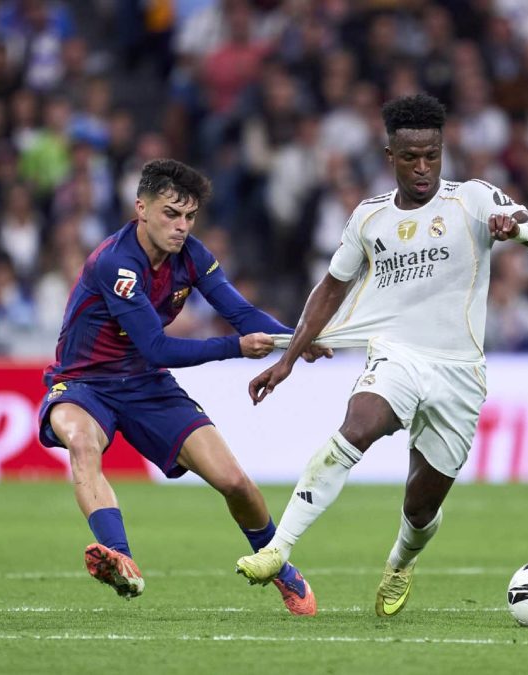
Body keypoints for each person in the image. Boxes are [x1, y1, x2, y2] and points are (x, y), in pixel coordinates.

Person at [232, 93, 528, 616]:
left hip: (459, 372)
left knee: (421, 506)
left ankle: (401, 561)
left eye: (432, 155)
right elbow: (330, 289)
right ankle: (279, 548)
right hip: (396, 356)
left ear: (442, 151)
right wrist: (287, 359)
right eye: (410, 157)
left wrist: (515, 228)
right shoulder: (369, 217)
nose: (422, 167)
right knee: (358, 426)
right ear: (390, 156)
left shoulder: (474, 199)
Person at [37, 159, 324, 614]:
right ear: (142, 209)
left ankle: (282, 569)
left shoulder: (192, 255)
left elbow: (241, 312)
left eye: (190, 216)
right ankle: (120, 558)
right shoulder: (116, 264)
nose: (182, 226)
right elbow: (157, 347)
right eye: (171, 214)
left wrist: (298, 338)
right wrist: (235, 348)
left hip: (146, 385)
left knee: (234, 482)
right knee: (82, 444)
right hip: (82, 383)